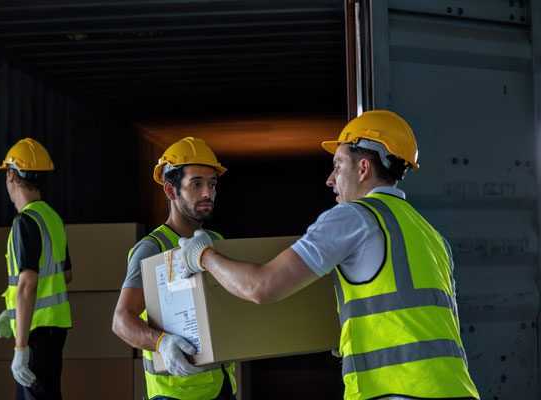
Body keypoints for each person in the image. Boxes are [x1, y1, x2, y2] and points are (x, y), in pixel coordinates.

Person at [177, 111, 480, 400]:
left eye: (337, 165)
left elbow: (261, 286)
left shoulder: (353, 217)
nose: (330, 179)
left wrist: (203, 256)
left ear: (363, 168)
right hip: (455, 388)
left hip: (397, 390)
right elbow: (412, 315)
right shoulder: (429, 233)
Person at [112, 137, 237, 400]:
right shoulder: (152, 249)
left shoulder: (217, 243)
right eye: (196, 184)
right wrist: (161, 342)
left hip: (222, 387)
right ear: (170, 191)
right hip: (175, 392)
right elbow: (122, 321)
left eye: (212, 184)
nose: (207, 193)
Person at [0, 138, 73, 400]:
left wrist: (21, 346)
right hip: (54, 330)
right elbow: (66, 274)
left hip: (35, 333)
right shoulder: (52, 218)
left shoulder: (24, 222)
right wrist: (12, 311)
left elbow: (28, 283)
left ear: (12, 175)